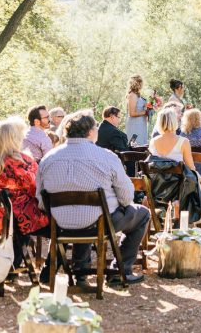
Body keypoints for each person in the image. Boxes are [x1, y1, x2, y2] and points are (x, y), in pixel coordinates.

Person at [36, 110, 150, 285]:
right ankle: (120, 271)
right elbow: (127, 198)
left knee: (83, 214)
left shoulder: (48, 159)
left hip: (59, 225)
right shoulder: (106, 157)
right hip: (99, 224)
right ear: (90, 132)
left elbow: (41, 201)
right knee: (142, 213)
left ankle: (80, 274)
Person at [0, 117, 49, 268]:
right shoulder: (21, 161)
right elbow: (36, 188)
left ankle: (7, 262)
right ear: (13, 139)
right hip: (14, 222)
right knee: (54, 224)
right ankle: (16, 264)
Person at [148, 108, 201, 226]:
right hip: (179, 190)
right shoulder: (183, 142)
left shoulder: (153, 141)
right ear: (175, 122)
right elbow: (191, 167)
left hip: (157, 189)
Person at [125, 74, 150, 147]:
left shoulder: (137, 95)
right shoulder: (132, 95)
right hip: (135, 124)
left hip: (141, 124)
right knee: (135, 144)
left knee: (142, 144)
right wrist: (145, 112)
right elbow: (132, 113)